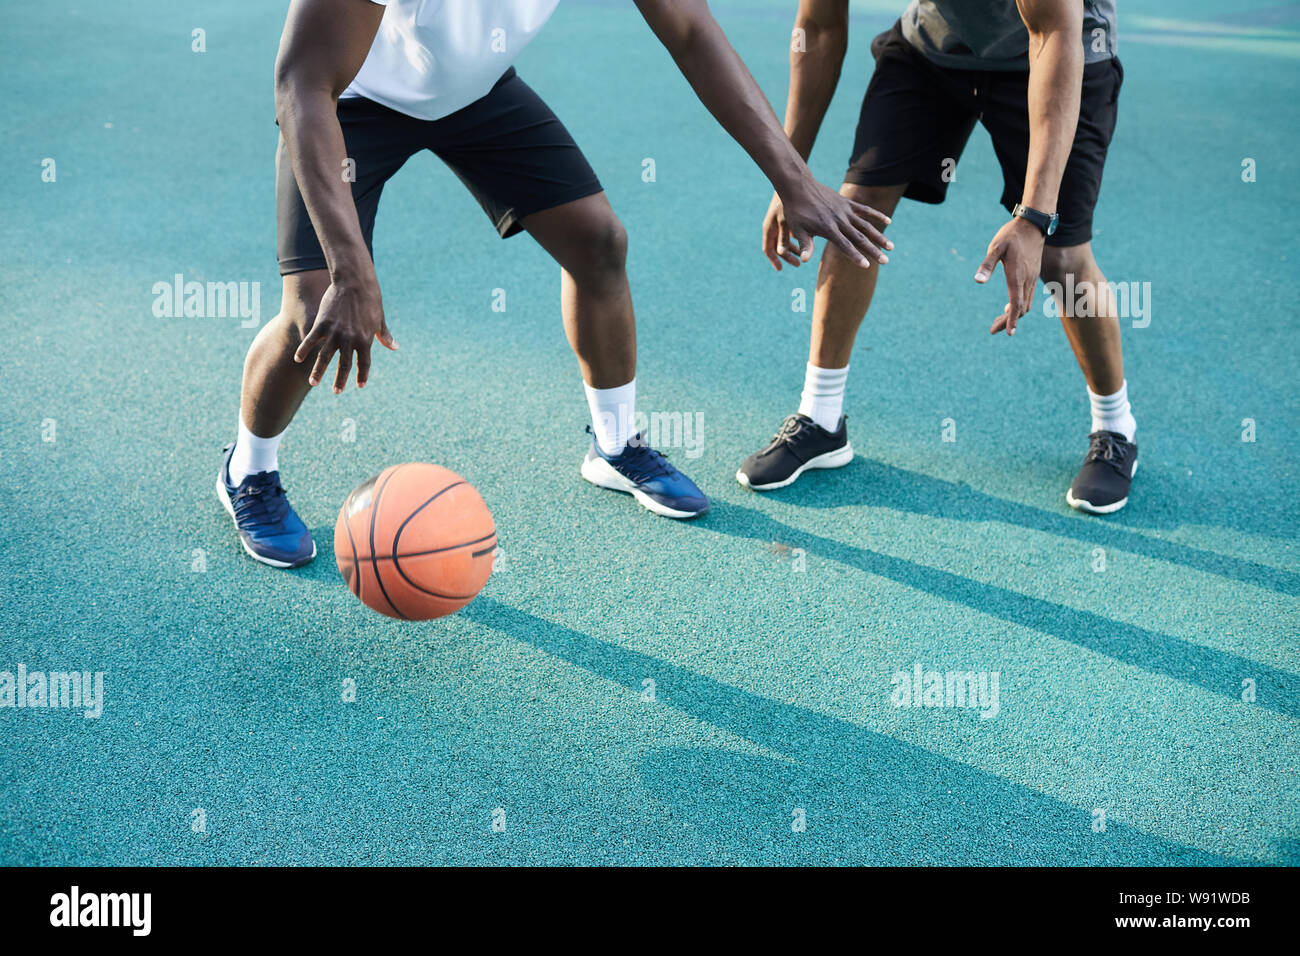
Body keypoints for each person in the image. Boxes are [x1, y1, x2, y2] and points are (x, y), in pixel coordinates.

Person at [219, 0, 893, 567]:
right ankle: (248, 471)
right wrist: (350, 266)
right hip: (349, 104)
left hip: (471, 94)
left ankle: (615, 445)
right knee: (311, 311)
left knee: (598, 242)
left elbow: (689, 28)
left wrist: (793, 179)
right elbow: (300, 87)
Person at [737, 0, 1137, 515]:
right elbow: (817, 25)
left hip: (1060, 51)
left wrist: (1035, 217)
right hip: (934, 49)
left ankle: (1115, 426)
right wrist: (789, 177)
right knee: (852, 216)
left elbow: (1054, 34)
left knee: (1062, 258)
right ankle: (821, 418)